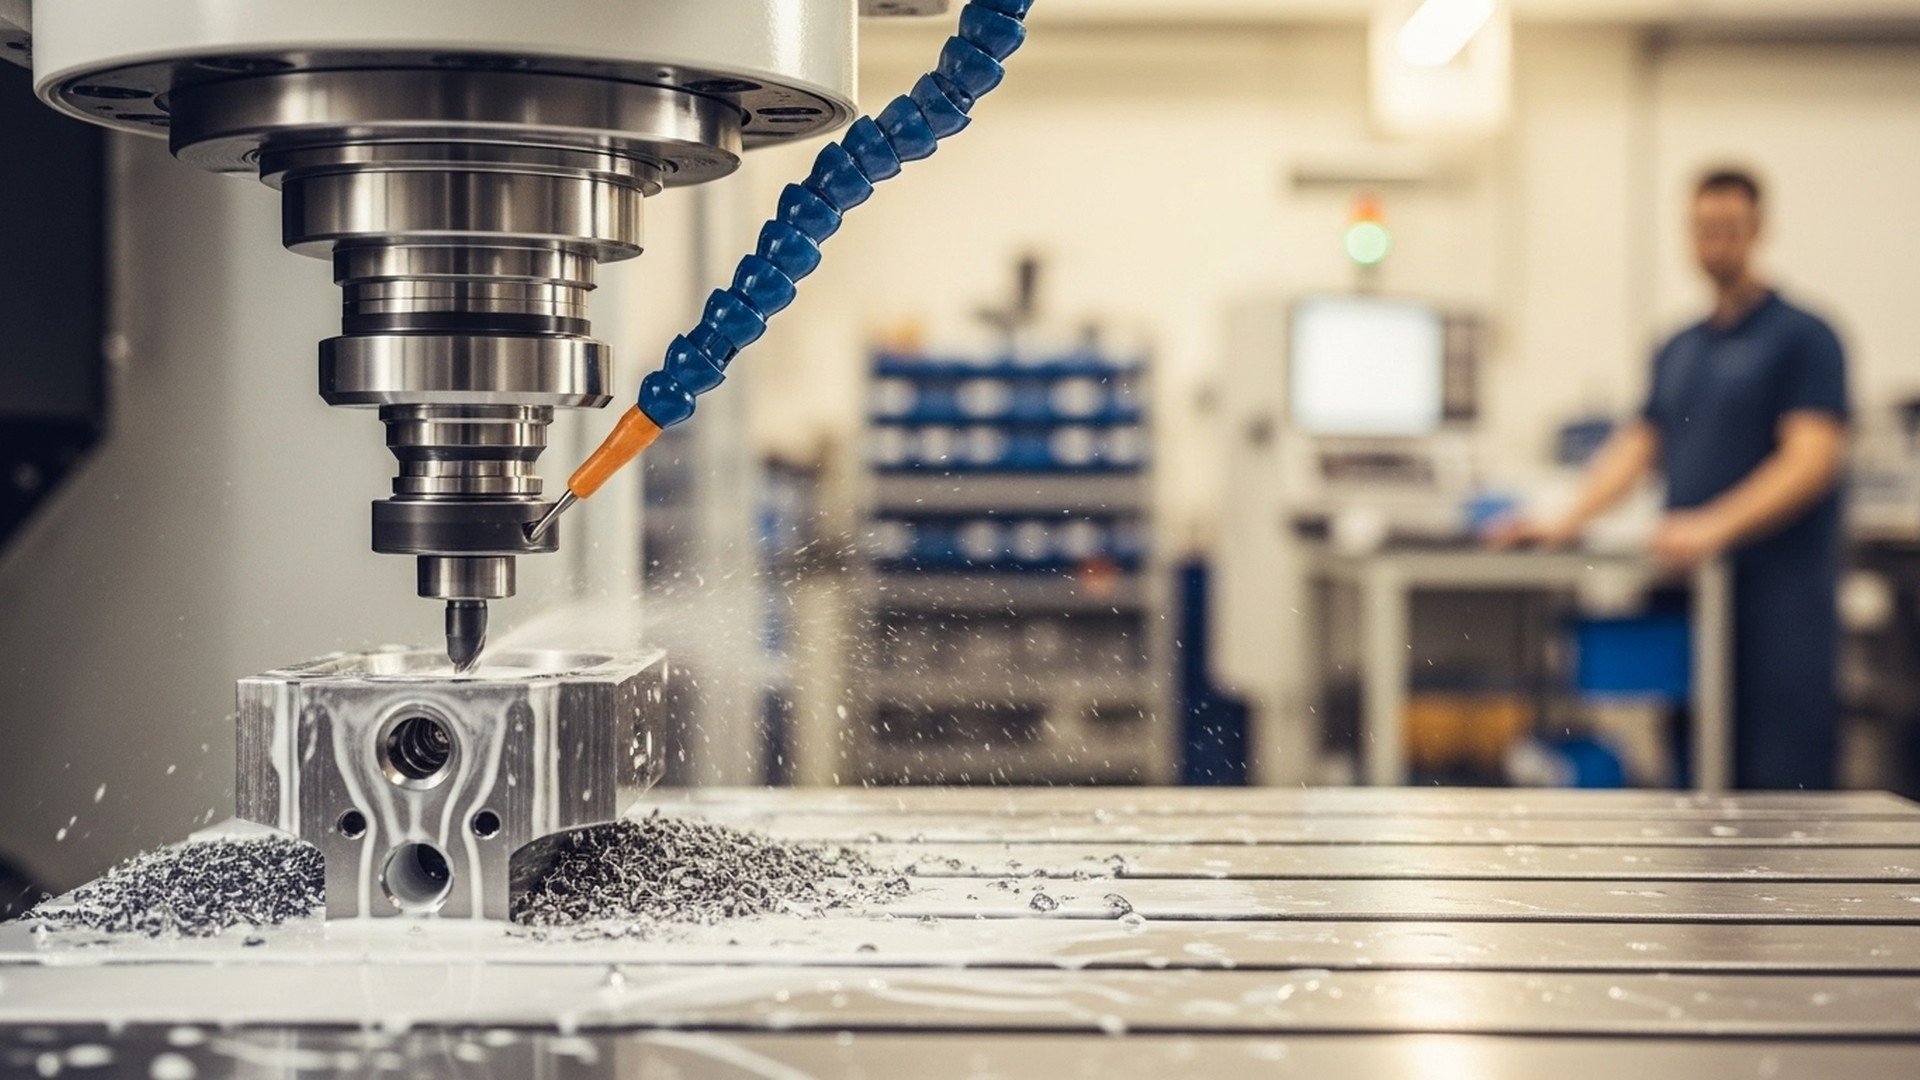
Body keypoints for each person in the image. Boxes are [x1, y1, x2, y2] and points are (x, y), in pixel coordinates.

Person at [1491, 168, 1850, 790]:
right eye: (1704, 230)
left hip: (1777, 601)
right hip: (1690, 595)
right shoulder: (1678, 347)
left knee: (1780, 784)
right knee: (1696, 771)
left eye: (1729, 230)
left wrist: (1716, 525)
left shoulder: (1804, 338)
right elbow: (1638, 445)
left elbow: (1812, 458)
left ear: (1757, 230)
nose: (1715, 245)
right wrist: (1561, 520)